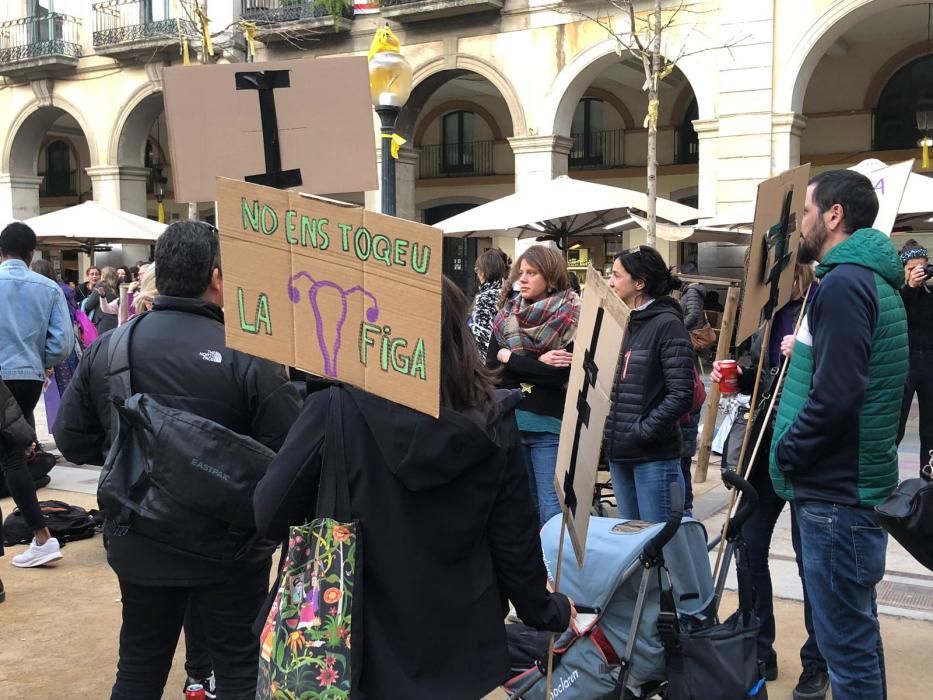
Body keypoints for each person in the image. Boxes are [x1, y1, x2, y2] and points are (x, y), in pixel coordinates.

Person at [254, 277, 573, 700]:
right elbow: (514, 541)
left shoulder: (333, 410)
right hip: (459, 645)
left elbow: (268, 513)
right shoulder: (494, 417)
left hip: (351, 641)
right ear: (453, 335)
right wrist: (544, 610)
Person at [54, 221, 302, 699]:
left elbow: (70, 440)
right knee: (237, 669)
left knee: (139, 667)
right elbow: (287, 452)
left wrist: (127, 454)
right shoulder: (251, 353)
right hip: (230, 545)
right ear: (215, 277)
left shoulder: (110, 347)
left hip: (138, 537)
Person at [770, 169, 908, 699]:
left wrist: (788, 451)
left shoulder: (846, 284)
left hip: (835, 494)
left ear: (833, 215)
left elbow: (836, 395)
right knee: (857, 638)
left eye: (806, 212)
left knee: (844, 648)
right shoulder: (867, 278)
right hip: (849, 488)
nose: (801, 223)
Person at [711, 264, 828, 699]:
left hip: (807, 450)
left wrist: (806, 354)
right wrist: (736, 374)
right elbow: (761, 371)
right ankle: (760, 646)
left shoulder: (824, 302)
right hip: (764, 446)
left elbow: (844, 376)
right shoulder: (771, 313)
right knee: (749, 546)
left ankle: (818, 660)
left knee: (810, 560)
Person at [486, 245, 580, 525]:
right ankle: (532, 568)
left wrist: (510, 358)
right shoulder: (506, 315)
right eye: (521, 273)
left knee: (550, 508)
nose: (522, 279)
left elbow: (559, 376)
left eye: (532, 273)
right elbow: (493, 369)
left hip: (548, 426)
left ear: (550, 277)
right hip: (511, 423)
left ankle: (552, 568)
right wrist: (537, 361)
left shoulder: (571, 315)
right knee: (522, 506)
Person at [0, 222, 73, 568]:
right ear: (32, 254)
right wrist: (36, 361)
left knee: (11, 458)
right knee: (12, 456)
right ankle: (41, 537)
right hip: (28, 377)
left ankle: (43, 537)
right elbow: (62, 343)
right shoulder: (48, 288)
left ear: (1, 252)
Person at [605, 246, 694, 522]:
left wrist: (642, 432)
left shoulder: (667, 324)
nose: (610, 281)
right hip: (620, 454)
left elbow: (681, 393)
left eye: (617, 276)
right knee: (631, 545)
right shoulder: (628, 322)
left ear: (640, 283)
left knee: (658, 545)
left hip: (653, 457)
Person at [896, 239, 933, 472]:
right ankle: (886, 480)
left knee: (930, 429)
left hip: (930, 361)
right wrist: (910, 287)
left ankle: (927, 481)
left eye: (922, 268)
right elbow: (899, 316)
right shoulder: (898, 292)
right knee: (896, 425)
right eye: (911, 268)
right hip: (905, 361)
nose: (918, 273)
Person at [677, 280, 707, 514]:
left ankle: (686, 510)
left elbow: (695, 314)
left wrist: (678, 327)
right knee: (683, 463)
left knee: (682, 463)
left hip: (686, 413)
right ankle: (685, 507)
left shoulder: (692, 292)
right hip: (689, 407)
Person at [469, 248, 509, 358]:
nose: (477, 274)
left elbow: (481, 336)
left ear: (484, 272)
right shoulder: (507, 293)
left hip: (486, 364)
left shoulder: (484, 298)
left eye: (477, 270)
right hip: (504, 357)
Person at [82, 265, 119, 334]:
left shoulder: (101, 286)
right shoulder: (118, 287)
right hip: (116, 322)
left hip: (102, 322)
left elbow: (89, 305)